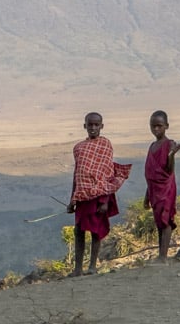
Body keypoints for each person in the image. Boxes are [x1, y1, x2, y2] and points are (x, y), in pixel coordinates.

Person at [67, 111, 131, 276]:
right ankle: (78, 269)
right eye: (90, 124)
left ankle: (92, 266)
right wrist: (72, 200)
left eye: (97, 125)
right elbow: (77, 174)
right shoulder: (78, 148)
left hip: (99, 196)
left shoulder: (105, 145)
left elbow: (107, 174)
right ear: (85, 126)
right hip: (82, 197)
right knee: (79, 231)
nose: (93, 128)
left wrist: (104, 201)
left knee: (96, 231)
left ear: (102, 126)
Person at [144, 109, 180, 263]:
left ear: (167, 126)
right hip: (153, 190)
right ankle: (161, 254)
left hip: (166, 188)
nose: (156, 129)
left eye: (159, 126)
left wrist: (171, 155)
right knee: (159, 221)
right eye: (153, 126)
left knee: (165, 220)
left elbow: (169, 170)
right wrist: (146, 196)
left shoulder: (169, 144)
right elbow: (150, 175)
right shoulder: (152, 146)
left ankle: (163, 256)